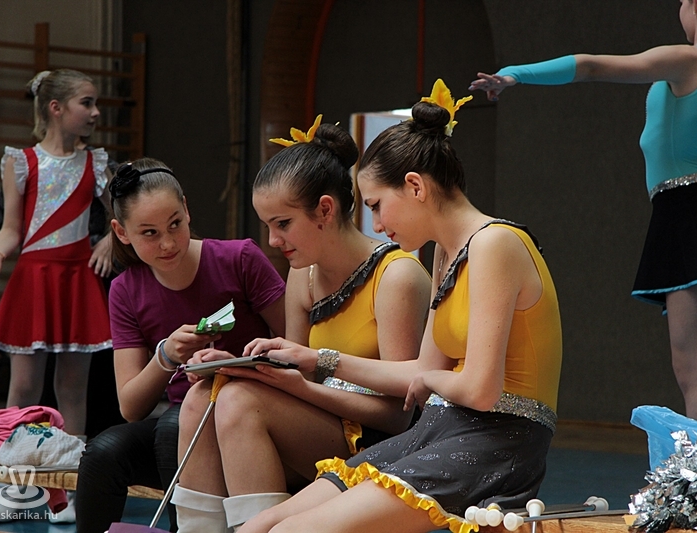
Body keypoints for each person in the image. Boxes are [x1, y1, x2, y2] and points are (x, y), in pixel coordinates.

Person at [236, 81, 563, 533]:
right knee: (260, 525)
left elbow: (479, 391)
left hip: (498, 440)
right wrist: (313, 358)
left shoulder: (495, 243)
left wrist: (430, 379)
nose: (376, 223)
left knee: (294, 531)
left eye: (376, 205)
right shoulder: (447, 252)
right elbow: (419, 372)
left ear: (414, 186)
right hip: (440, 429)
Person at [469, 0, 697, 440]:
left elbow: (592, 66)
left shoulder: (689, 59)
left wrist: (516, 73)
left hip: (686, 209)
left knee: (695, 369)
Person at [172, 116, 431, 531]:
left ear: (325, 209)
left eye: (283, 224)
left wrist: (298, 384)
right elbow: (295, 374)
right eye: (268, 226)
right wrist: (235, 366)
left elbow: (399, 417)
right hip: (321, 422)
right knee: (203, 396)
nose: (273, 241)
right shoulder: (303, 275)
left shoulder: (397, 275)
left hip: (382, 442)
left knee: (239, 403)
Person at [74, 157, 287, 533]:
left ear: (186, 209)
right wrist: (166, 356)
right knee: (103, 452)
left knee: (173, 427)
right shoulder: (126, 289)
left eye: (175, 224)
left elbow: (297, 347)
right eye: (149, 233)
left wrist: (234, 364)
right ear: (122, 232)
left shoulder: (239, 259)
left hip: (252, 410)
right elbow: (131, 406)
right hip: (183, 418)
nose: (168, 243)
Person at [0, 69, 113, 522]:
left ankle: (70, 495)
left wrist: (108, 241)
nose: (95, 112)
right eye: (87, 103)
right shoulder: (21, 161)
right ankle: (12, 490)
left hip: (77, 281)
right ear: (56, 108)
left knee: (72, 390)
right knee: (22, 389)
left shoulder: (97, 164)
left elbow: (120, 215)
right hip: (34, 281)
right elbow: (11, 228)